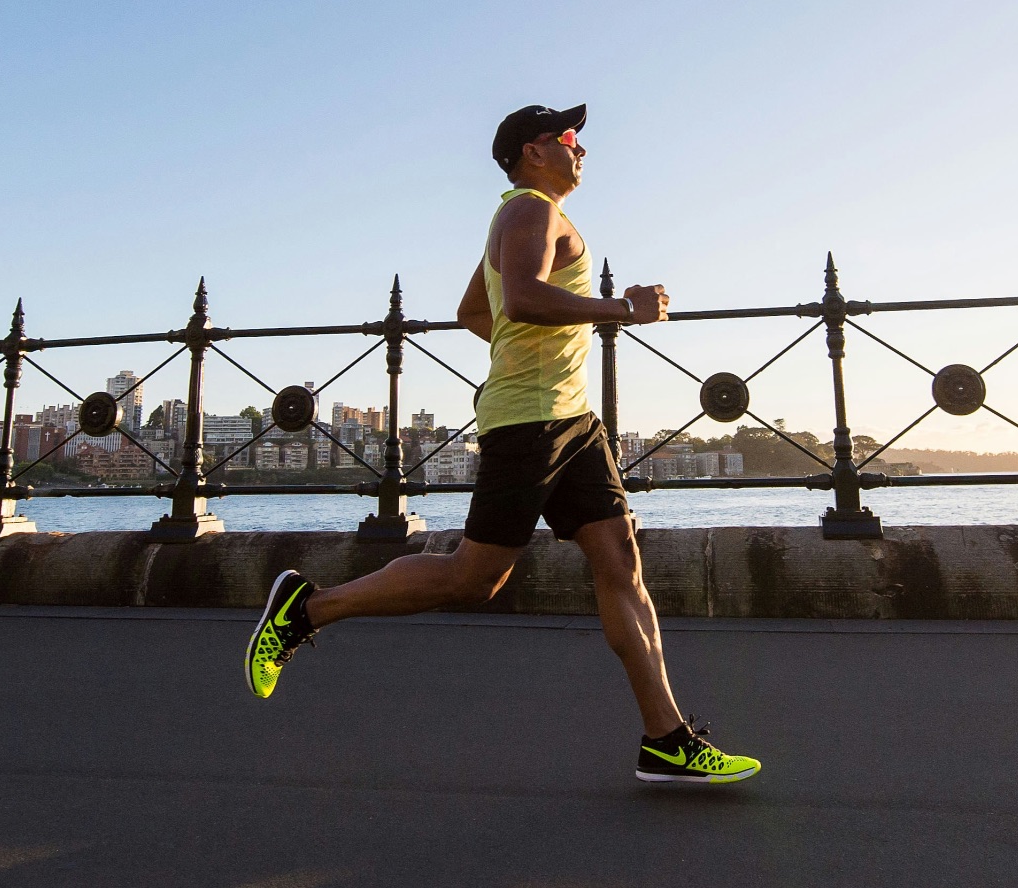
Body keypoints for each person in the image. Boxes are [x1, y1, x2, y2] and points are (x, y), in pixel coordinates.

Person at [244, 104, 760, 784]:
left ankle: (667, 738)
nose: (581, 149)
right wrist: (621, 310)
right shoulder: (528, 212)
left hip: (573, 421)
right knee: (474, 577)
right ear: (530, 151)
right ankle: (304, 609)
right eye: (568, 138)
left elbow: (474, 312)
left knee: (621, 560)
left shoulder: (534, 215)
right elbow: (518, 299)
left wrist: (530, 358)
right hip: (532, 424)